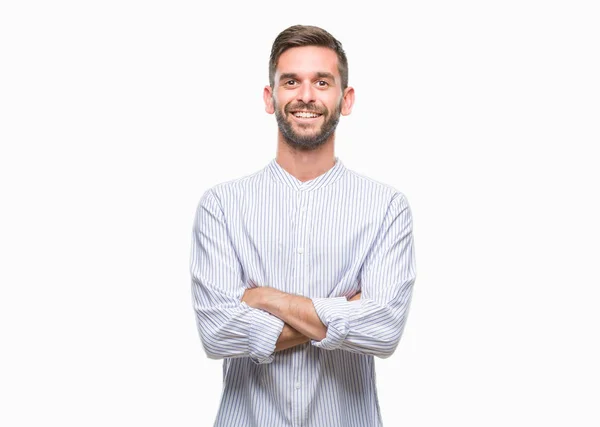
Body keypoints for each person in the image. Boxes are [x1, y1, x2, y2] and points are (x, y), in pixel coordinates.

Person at [190, 24, 416, 427]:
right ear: (269, 96)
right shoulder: (222, 206)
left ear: (345, 100)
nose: (306, 95)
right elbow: (217, 332)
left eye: (322, 82)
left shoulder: (386, 208)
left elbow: (383, 330)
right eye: (291, 81)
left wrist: (265, 298)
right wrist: (346, 311)